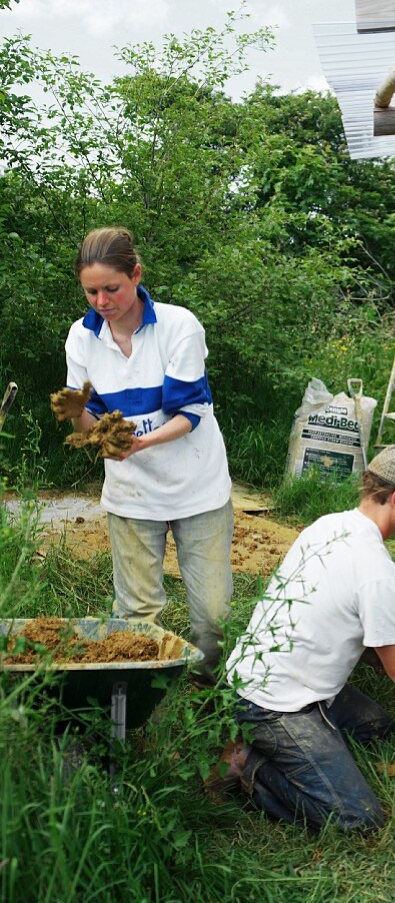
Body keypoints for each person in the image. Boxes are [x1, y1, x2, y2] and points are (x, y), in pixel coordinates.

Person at [222, 445, 395, 831]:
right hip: (272, 703)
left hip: (253, 678)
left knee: (375, 725)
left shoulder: (326, 526)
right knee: (358, 817)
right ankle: (251, 767)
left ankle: (293, 749)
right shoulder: (377, 572)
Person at [58, 226, 233, 679]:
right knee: (136, 610)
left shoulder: (179, 326)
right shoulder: (81, 337)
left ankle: (207, 691)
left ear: (135, 275)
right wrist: (80, 414)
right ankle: (140, 698)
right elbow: (93, 423)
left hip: (197, 484)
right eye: (91, 291)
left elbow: (190, 412)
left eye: (111, 288)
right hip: (133, 493)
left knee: (213, 612)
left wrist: (139, 443)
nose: (101, 301)